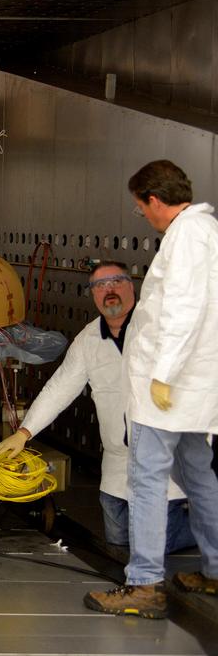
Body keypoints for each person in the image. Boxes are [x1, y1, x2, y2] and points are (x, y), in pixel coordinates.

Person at [85, 160, 218, 618]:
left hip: (167, 393)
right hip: (193, 392)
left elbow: (183, 310)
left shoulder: (185, 236)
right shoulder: (206, 231)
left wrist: (163, 373)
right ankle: (216, 570)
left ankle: (143, 583)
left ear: (155, 201)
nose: (143, 215)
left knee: (146, 482)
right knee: (201, 479)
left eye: (141, 207)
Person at [0, 261, 195, 553]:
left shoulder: (161, 329)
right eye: (100, 285)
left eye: (116, 282)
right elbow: (60, 387)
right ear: (93, 295)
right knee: (118, 540)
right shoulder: (89, 339)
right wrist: (24, 432)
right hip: (116, 465)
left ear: (131, 287)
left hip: (164, 457)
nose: (108, 290)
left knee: (160, 542)